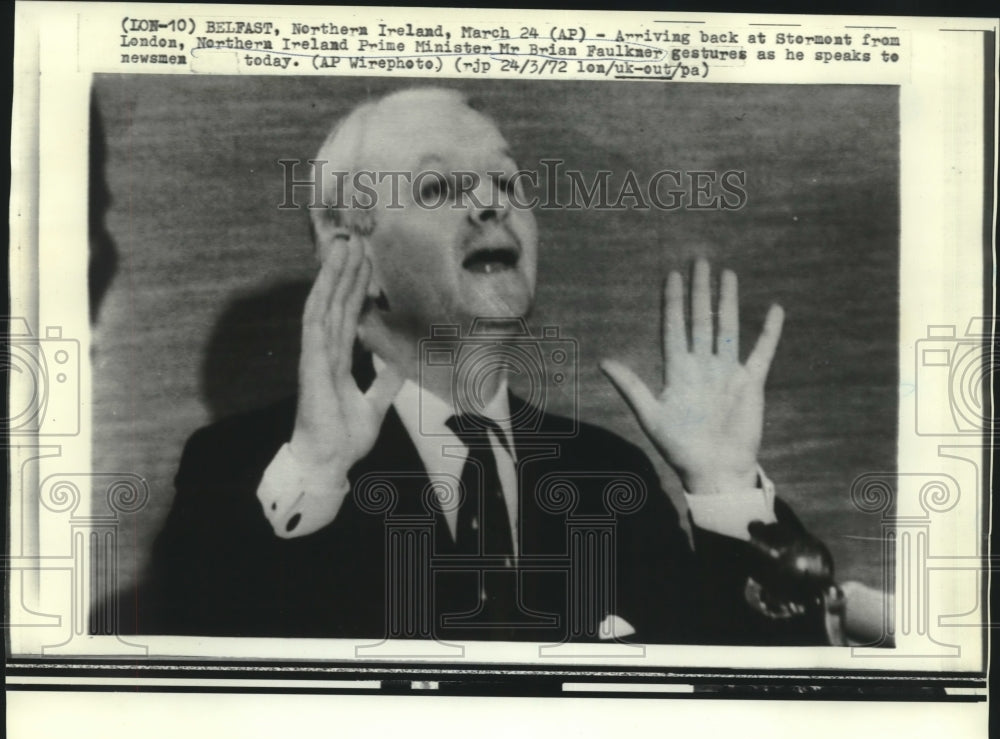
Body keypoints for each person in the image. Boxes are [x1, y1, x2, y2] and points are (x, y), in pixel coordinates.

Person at [127, 87, 843, 645]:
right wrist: (317, 472)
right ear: (354, 253)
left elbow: (764, 714)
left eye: (507, 182)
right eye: (438, 190)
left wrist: (723, 487)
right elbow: (212, 705)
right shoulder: (243, 471)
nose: (492, 206)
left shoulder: (607, 475)